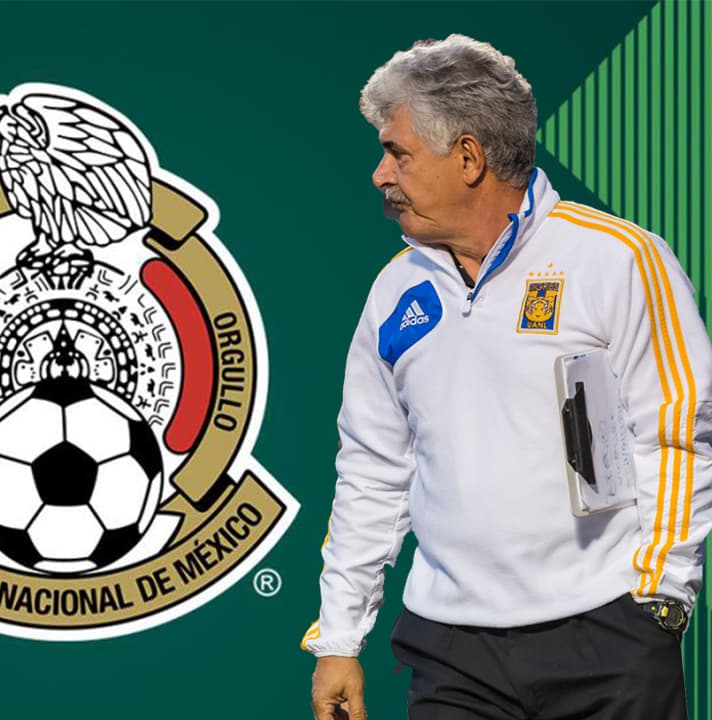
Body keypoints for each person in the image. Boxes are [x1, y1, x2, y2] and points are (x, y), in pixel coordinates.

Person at [303, 35, 712, 720]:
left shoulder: (617, 259)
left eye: (398, 152)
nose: (380, 173)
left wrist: (661, 599)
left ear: (468, 157)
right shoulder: (394, 291)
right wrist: (339, 639)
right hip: (450, 652)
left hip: (606, 638)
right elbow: (372, 471)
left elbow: (679, 435)